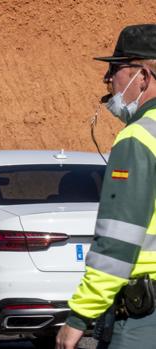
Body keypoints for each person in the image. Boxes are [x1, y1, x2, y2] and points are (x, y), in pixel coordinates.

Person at [56, 24, 156, 348]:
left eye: (115, 69)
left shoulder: (138, 138)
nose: (109, 81)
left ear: (143, 76)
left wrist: (77, 319)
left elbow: (118, 241)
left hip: (144, 317)